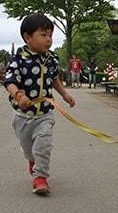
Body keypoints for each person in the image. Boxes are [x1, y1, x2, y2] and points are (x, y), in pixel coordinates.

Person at [4, 13, 75, 195]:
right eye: (43, 35)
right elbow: (10, 81)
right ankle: (32, 161)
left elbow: (54, 79)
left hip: (44, 114)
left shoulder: (51, 59)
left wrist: (65, 95)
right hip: (22, 116)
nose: (49, 40)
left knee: (43, 146)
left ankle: (41, 177)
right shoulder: (19, 59)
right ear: (28, 37)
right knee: (29, 150)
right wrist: (19, 95)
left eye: (50, 35)